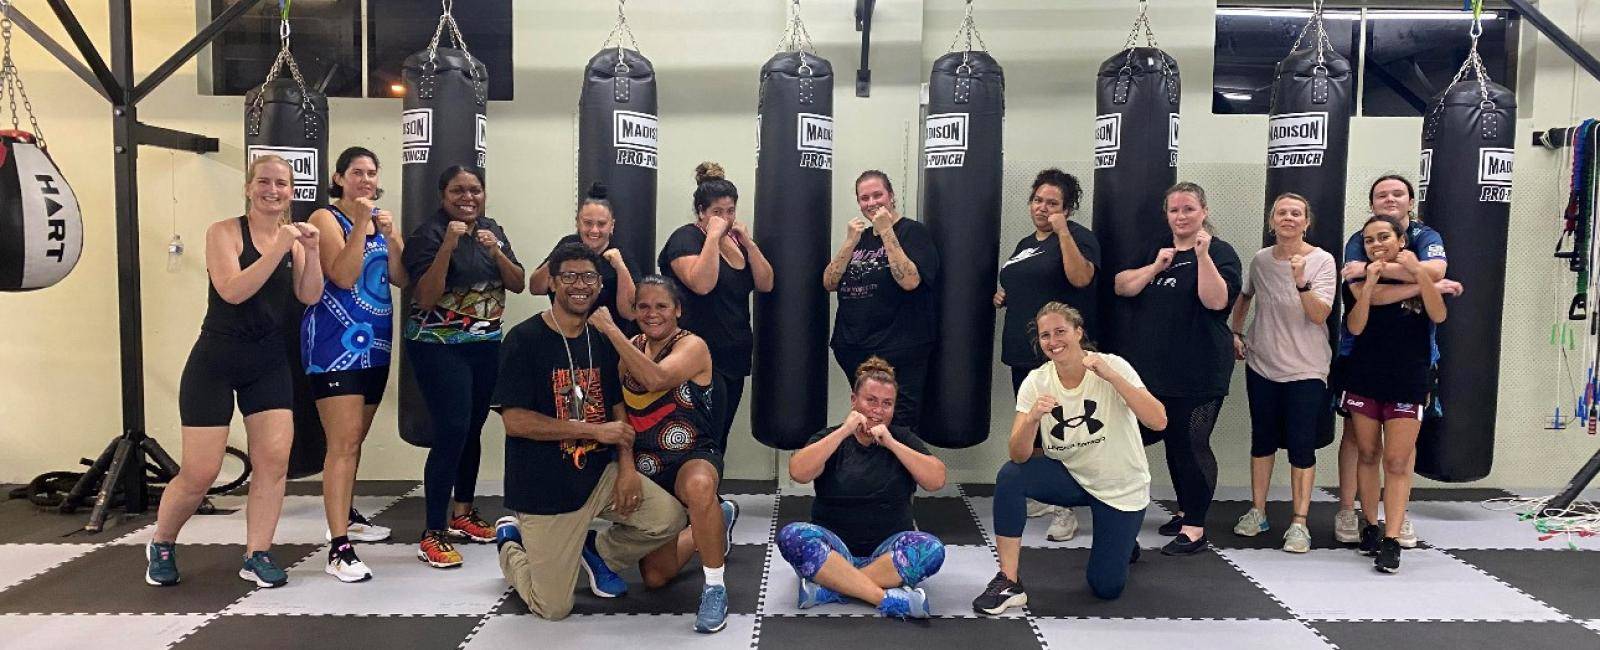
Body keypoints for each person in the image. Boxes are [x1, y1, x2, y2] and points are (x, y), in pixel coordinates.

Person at [146, 155, 324, 588]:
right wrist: (279, 247)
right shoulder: (223, 232)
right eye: (264, 181)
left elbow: (311, 294)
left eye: (282, 183)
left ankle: (257, 554)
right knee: (201, 472)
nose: (273, 190)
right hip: (215, 362)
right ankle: (163, 542)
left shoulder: (295, 242)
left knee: (273, 463)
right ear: (249, 187)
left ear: (291, 191)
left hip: (268, 363)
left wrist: (312, 251)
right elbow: (233, 290)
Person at [489, 244, 687, 621]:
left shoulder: (600, 340)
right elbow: (515, 421)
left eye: (589, 277)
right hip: (545, 489)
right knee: (553, 608)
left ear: (599, 285)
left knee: (669, 518)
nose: (580, 286)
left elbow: (617, 411)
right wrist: (595, 432)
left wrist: (627, 468)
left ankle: (593, 549)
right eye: (570, 277)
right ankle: (511, 545)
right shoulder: (523, 340)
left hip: (599, 478)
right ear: (552, 282)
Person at [973, 303, 1166, 613]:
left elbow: (1158, 421)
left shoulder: (1111, 365)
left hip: (1120, 487)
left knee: (1105, 588)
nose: (1053, 341)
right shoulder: (1037, 381)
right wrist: (1033, 418)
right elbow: (1018, 454)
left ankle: (1123, 540)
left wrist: (1113, 378)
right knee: (1011, 475)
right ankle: (1008, 580)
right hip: (1073, 477)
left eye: (1060, 331)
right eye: (1045, 335)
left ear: (1078, 332)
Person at [588, 275, 740, 633]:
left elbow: (656, 379)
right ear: (635, 310)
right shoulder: (632, 347)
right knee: (656, 577)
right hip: (646, 463)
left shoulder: (693, 346)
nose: (652, 313)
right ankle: (717, 519)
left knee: (701, 486)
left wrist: (611, 331)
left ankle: (715, 587)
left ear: (677, 310)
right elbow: (618, 408)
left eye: (661, 306)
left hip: (692, 453)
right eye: (643, 306)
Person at [402, 165, 525, 568]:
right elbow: (424, 296)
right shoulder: (429, 234)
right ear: (443, 195)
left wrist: (495, 251)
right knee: (452, 429)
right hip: (438, 346)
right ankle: (432, 531)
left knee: (473, 427)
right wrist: (447, 249)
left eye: (474, 190)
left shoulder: (492, 229)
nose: (467, 197)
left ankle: (463, 513)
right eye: (458, 190)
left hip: (485, 344)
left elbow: (518, 282)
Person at [1329, 174, 1461, 548]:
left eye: (1397, 193)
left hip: (1413, 360)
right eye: (1381, 194)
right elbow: (1357, 289)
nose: (1389, 199)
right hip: (1361, 355)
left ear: (1410, 200)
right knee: (1359, 441)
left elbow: (1435, 271)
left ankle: (1395, 519)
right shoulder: (1360, 237)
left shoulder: (1426, 236)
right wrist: (1424, 283)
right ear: (1371, 203)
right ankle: (1349, 510)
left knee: (1402, 449)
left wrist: (1421, 278)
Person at [1113, 181, 1242, 556]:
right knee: (1169, 443)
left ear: (1204, 211)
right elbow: (1123, 286)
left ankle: (1196, 529)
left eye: (1189, 209)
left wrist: (1202, 257)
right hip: (1154, 370)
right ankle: (1186, 509)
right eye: (1175, 210)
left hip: (1200, 370)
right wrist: (1156, 266)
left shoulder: (1220, 251)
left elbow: (1217, 302)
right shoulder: (1158, 250)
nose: (1181, 216)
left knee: (1191, 444)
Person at [302, 147, 408, 582]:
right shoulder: (325, 219)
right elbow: (343, 276)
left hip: (375, 346)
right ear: (339, 177)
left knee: (355, 441)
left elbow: (401, 277)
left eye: (371, 172)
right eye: (357, 172)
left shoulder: (380, 220)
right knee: (342, 444)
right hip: (334, 347)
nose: (365, 179)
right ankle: (338, 547)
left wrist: (392, 235)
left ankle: (345, 514)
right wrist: (363, 225)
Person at [778, 357, 947, 620]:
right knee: (792, 536)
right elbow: (798, 472)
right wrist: (844, 431)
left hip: (887, 551)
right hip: (833, 551)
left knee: (932, 549)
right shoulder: (831, 437)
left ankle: (832, 588)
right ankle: (884, 598)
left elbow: (936, 480)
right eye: (871, 400)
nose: (878, 410)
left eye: (886, 403)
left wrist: (891, 443)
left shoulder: (902, 438)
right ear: (854, 400)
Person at [995, 168, 1101, 544]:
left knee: (1061, 426)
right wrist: (1003, 295)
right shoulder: (1025, 242)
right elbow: (1018, 279)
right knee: (1033, 423)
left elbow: (1080, 279)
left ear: (1067, 208)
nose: (1043, 208)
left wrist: (1063, 232)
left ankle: (1065, 508)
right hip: (1021, 348)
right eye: (1038, 200)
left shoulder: (1077, 238)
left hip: (1058, 351)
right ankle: (1043, 493)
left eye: (1052, 203)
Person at [1228, 193, 1336, 553]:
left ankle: (1299, 522)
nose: (1288, 218)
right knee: (1262, 440)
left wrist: (1301, 281)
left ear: (1307, 222)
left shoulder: (1322, 261)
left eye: (1296, 213)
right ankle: (1257, 510)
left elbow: (1319, 315)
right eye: (1281, 213)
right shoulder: (1260, 260)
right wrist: (1236, 332)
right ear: (1271, 221)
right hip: (1263, 363)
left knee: (1302, 445)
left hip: (1306, 367)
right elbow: (1244, 296)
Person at [1342, 216, 1447, 573]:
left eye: (1383, 237)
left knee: (1398, 461)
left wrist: (1421, 276)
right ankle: (1370, 525)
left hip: (1408, 378)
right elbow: (1355, 325)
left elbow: (1439, 312)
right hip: (1365, 375)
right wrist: (1370, 283)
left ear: (1401, 240)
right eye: (1369, 240)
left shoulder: (1417, 271)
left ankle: (1392, 537)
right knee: (1368, 453)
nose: (1376, 244)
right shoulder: (1358, 276)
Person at [658, 162, 774, 452]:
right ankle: (692, 494)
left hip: (733, 353)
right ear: (701, 212)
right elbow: (702, 284)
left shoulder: (736, 243)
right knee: (699, 436)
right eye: (717, 212)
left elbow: (766, 283)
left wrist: (748, 242)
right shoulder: (686, 238)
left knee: (719, 436)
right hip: (697, 355)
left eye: (730, 211)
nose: (725, 218)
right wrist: (712, 236)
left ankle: (710, 495)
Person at [823, 170, 941, 430]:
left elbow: (910, 281)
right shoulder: (860, 238)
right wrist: (849, 242)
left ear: (891, 196)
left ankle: (897, 471)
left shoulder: (912, 232)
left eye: (878, 195)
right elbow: (829, 282)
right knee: (865, 422)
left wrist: (886, 231)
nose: (872, 202)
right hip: (855, 348)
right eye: (864, 198)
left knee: (896, 425)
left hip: (898, 349)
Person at [529, 182, 637, 332]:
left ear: (612, 226)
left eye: (601, 224)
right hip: (563, 335)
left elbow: (630, 313)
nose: (594, 230)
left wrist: (620, 267)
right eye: (587, 223)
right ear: (578, 223)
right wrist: (557, 257)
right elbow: (535, 288)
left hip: (605, 341)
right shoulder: (566, 244)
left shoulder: (621, 255)